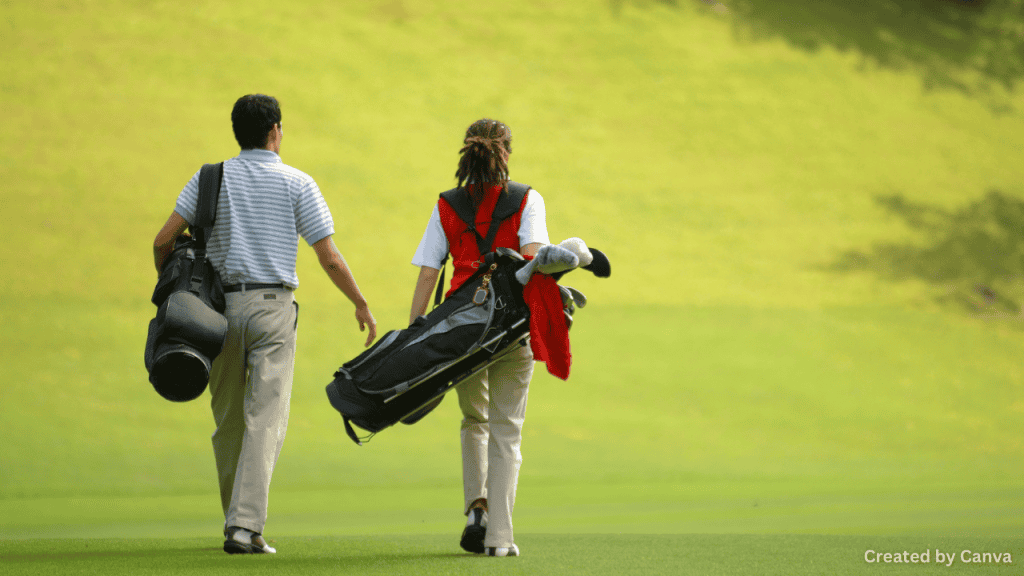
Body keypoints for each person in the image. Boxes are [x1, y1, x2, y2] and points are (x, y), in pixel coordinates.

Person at [152, 94, 377, 555]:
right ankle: (244, 526)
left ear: (238, 132)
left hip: (214, 312)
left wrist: (178, 292)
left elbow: (163, 241)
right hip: (273, 308)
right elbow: (329, 258)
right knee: (265, 418)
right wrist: (360, 303)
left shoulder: (209, 178)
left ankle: (236, 522)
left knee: (229, 420)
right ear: (275, 130)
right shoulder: (298, 182)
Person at [409, 118, 549, 557]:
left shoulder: (447, 203)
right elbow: (533, 262)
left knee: (475, 421)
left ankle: (476, 509)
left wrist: (414, 333)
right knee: (507, 432)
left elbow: (429, 274)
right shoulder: (527, 199)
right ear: (507, 151)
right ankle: (500, 538)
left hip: (461, 332)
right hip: (511, 327)